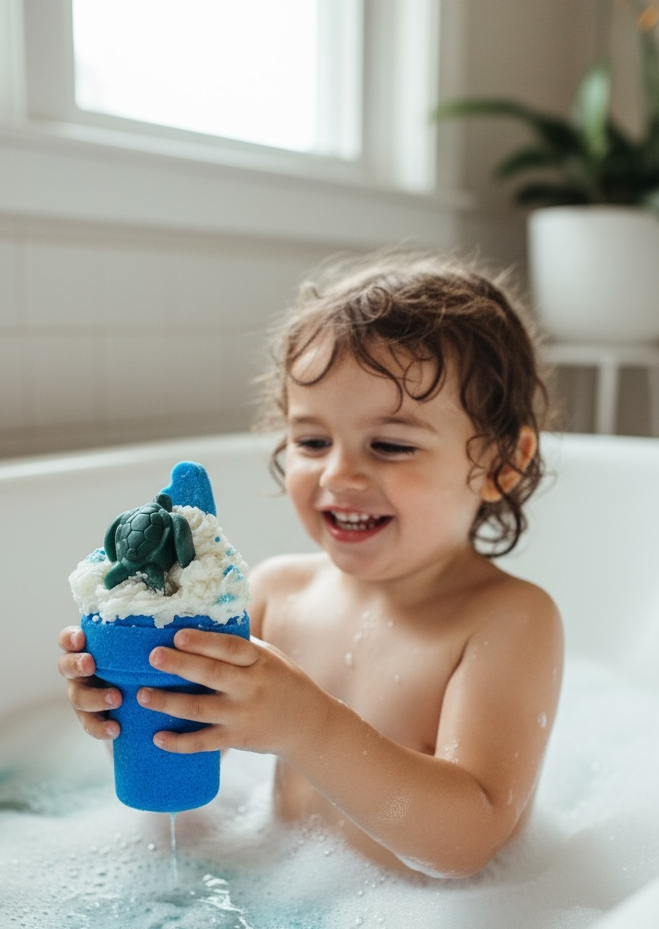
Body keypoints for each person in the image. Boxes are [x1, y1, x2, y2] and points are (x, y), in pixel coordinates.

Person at [58, 249, 563, 878]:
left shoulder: (506, 621)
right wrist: (123, 699)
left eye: (390, 444)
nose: (338, 473)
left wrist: (308, 726)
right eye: (312, 441)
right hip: (291, 896)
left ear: (501, 464)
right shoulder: (274, 592)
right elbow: (190, 738)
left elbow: (469, 841)